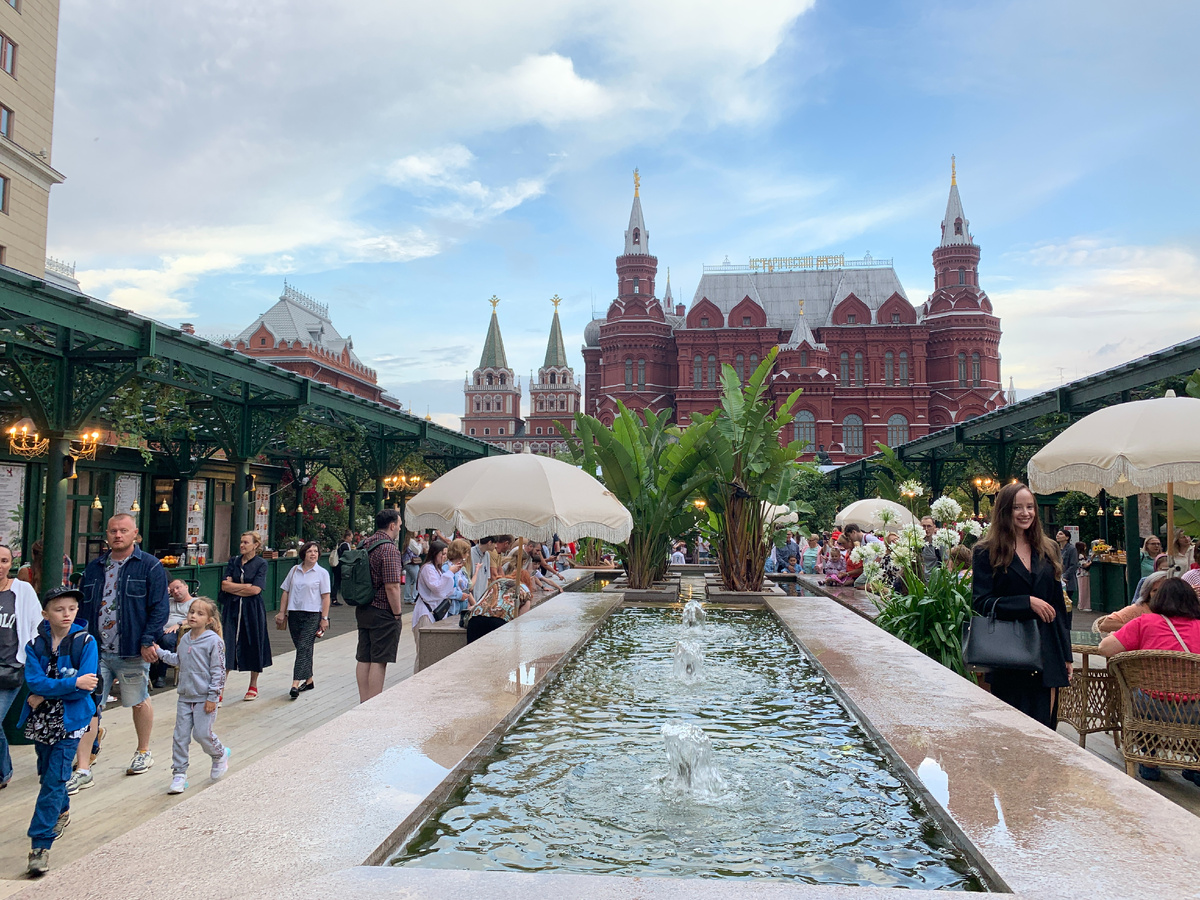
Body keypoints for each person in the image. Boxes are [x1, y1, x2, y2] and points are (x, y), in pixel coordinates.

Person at [72, 514, 168, 789]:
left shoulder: (149, 566)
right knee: (89, 704)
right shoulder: (93, 568)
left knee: (138, 700)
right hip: (96, 649)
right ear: (107, 534)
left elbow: (159, 607)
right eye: (113, 530)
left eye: (123, 530)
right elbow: (84, 608)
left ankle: (143, 750)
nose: (117, 535)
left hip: (131, 647)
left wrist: (148, 639)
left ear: (135, 534)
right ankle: (83, 766)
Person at [972, 482, 1069, 729]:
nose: (1025, 513)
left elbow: (1058, 605)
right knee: (1013, 729)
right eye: (1017, 507)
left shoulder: (1048, 548)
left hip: (1048, 651)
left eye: (1030, 507)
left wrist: (1066, 656)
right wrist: (1026, 603)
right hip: (1010, 653)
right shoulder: (986, 552)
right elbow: (981, 603)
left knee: (1046, 729)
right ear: (1005, 511)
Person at [19, 585, 98, 877]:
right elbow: (34, 682)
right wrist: (68, 684)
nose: (66, 614)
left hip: (72, 723)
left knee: (53, 781)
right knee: (46, 775)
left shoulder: (85, 642)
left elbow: (87, 686)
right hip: (41, 722)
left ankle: (40, 846)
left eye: (72, 608)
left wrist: (50, 692)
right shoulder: (35, 645)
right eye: (59, 609)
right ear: (45, 613)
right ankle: (62, 810)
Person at [1098, 577, 1200, 783]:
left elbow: (1104, 648)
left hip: (1150, 708)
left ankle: (1150, 761)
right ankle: (1195, 766)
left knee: (1140, 693)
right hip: (1195, 711)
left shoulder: (1144, 622)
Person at [152, 598, 230, 794]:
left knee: (202, 734)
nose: (193, 616)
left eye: (200, 613)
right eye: (192, 612)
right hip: (185, 697)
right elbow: (178, 660)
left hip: (205, 697)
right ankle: (179, 774)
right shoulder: (185, 638)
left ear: (210, 620)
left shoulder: (214, 641)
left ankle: (219, 754)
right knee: (180, 736)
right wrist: (159, 652)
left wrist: (213, 697)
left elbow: (218, 670)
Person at [0, 544, 42, 789]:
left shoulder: (22, 590)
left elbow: (36, 625)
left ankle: (3, 773)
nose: (1, 565)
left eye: (5, 560)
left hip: (10, 667)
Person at [356, 509, 404, 703]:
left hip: (363, 607)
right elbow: (392, 586)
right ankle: (373, 703)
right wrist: (398, 614)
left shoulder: (364, 543)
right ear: (392, 525)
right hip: (383, 609)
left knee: (364, 656)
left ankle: (363, 701)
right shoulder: (389, 549)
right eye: (399, 526)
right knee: (379, 659)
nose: (399, 529)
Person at [219, 532, 272, 702]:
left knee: (253, 642)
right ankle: (219, 689)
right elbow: (224, 585)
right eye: (241, 542)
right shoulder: (233, 561)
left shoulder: (261, 564)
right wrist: (244, 586)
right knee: (226, 644)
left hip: (252, 609)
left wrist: (234, 586)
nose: (242, 545)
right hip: (232, 607)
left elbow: (256, 590)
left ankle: (253, 685)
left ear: (256, 545)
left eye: (246, 542)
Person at [274, 541, 330, 699]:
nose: (313, 554)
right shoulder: (294, 570)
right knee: (303, 647)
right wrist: (281, 612)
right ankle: (310, 680)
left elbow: (326, 597)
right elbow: (286, 591)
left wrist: (324, 618)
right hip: (295, 613)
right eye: (310, 551)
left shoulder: (322, 573)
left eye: (316, 551)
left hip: (313, 614)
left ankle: (295, 683)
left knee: (303, 647)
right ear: (303, 554)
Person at [413, 541, 462, 667]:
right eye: (443, 554)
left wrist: (454, 574)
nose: (444, 557)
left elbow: (447, 590)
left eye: (446, 554)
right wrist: (450, 572)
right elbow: (438, 588)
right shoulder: (428, 568)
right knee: (424, 651)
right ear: (436, 553)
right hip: (426, 611)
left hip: (436, 610)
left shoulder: (437, 569)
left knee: (432, 650)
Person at [151, 579, 196, 688]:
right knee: (146, 640)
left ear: (186, 587)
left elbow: (196, 618)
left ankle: (161, 675)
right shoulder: (168, 601)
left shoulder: (195, 603)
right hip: (160, 630)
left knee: (166, 641)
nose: (175, 591)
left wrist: (179, 624)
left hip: (180, 632)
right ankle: (150, 672)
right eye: (172, 590)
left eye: (178, 587)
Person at [1094, 570, 1170, 633]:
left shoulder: (1178, 609)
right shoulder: (1139, 608)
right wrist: (1137, 629)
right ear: (1148, 593)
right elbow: (1105, 625)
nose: (1160, 594)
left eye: (1164, 591)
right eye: (1155, 591)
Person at [466, 572, 522, 644]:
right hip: (500, 620)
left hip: (476, 618)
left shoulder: (496, 584)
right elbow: (521, 619)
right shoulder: (523, 589)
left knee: (472, 652)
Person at [1057, 530, 1079, 607]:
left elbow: (1073, 565)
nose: (1058, 535)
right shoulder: (1057, 549)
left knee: (1067, 603)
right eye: (1057, 534)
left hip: (1067, 581)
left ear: (1067, 537)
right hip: (1058, 579)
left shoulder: (1071, 549)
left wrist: (1065, 576)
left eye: (1060, 534)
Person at [402, 532, 426, 603]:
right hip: (412, 563)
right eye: (415, 531)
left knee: (408, 581)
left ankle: (407, 598)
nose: (416, 532)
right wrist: (420, 543)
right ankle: (414, 598)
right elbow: (418, 552)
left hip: (407, 563)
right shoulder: (411, 541)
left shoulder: (408, 541)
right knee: (418, 580)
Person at [330, 529, 352, 606]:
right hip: (340, 566)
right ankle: (334, 599)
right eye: (351, 537)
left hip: (336, 565)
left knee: (336, 582)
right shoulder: (345, 545)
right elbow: (347, 556)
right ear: (348, 537)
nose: (351, 539)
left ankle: (333, 598)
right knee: (337, 582)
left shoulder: (340, 544)